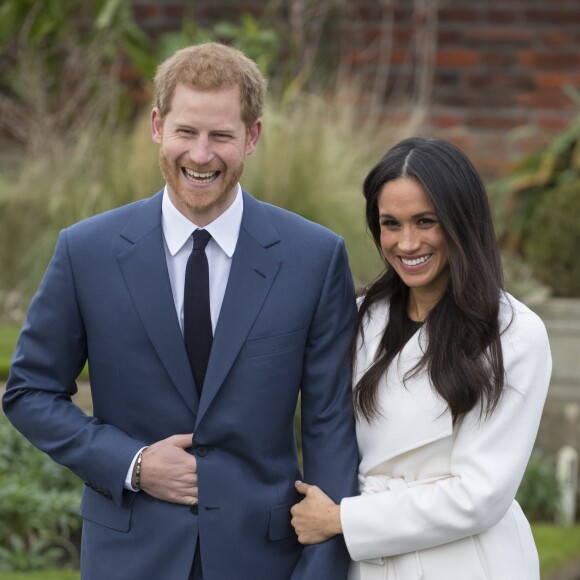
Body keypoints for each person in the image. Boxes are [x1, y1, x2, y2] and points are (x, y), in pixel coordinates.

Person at [2, 42, 359, 579]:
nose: (200, 155)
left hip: (264, 559)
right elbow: (29, 392)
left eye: (221, 136)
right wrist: (134, 465)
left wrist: (322, 569)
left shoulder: (314, 257)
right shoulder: (87, 251)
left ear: (252, 137)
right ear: (156, 127)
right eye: (186, 132)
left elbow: (330, 424)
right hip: (128, 558)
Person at [290, 136, 552, 580]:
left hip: (467, 561)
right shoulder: (356, 318)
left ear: (461, 223)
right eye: (390, 224)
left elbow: (480, 496)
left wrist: (342, 521)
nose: (406, 243)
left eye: (425, 222)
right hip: (368, 563)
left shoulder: (514, 333)